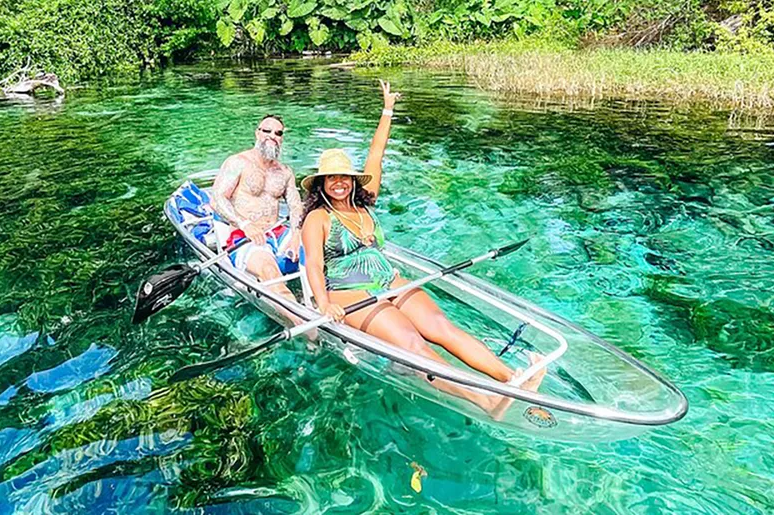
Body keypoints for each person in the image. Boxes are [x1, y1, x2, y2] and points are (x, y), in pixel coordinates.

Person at [300, 81, 545, 418]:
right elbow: (314, 263)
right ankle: (487, 400)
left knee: (443, 329)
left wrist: (387, 110)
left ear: (353, 179)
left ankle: (512, 379)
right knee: (415, 346)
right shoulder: (318, 217)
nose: (339, 182)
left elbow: (376, 155)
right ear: (322, 184)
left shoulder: (364, 203)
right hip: (349, 293)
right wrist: (325, 304)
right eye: (331, 178)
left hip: (389, 280)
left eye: (345, 176)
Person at [211, 114, 303, 305]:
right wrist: (244, 224)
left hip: (278, 232)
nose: (272, 136)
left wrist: (296, 235)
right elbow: (217, 199)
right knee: (270, 272)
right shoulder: (238, 162)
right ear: (257, 133)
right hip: (245, 235)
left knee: (318, 255)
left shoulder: (285, 172)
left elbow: (295, 206)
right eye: (266, 131)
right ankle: (309, 329)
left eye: (278, 133)